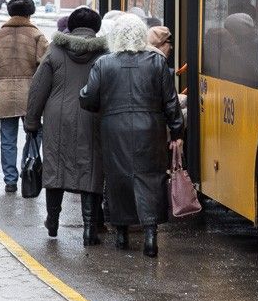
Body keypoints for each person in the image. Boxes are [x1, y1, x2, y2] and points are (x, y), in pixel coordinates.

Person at [79, 13, 185, 258]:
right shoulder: (156, 62)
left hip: (114, 130)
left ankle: (121, 234)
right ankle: (150, 235)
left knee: (118, 179)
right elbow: (170, 101)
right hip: (150, 128)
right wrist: (177, 131)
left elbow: (88, 98)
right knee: (151, 177)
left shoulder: (104, 64)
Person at [26, 7, 108, 246]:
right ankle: (89, 230)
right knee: (92, 169)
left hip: (57, 119)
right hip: (93, 117)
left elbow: (38, 88)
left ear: (71, 26)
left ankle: (52, 222)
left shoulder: (55, 51)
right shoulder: (105, 53)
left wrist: (32, 122)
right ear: (96, 27)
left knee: (55, 169)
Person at [0, 0, 49, 192]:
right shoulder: (37, 36)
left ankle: (10, 180)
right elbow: (47, 67)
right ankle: (28, 169)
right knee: (34, 133)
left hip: (5, 95)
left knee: (8, 138)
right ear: (30, 13)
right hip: (31, 96)